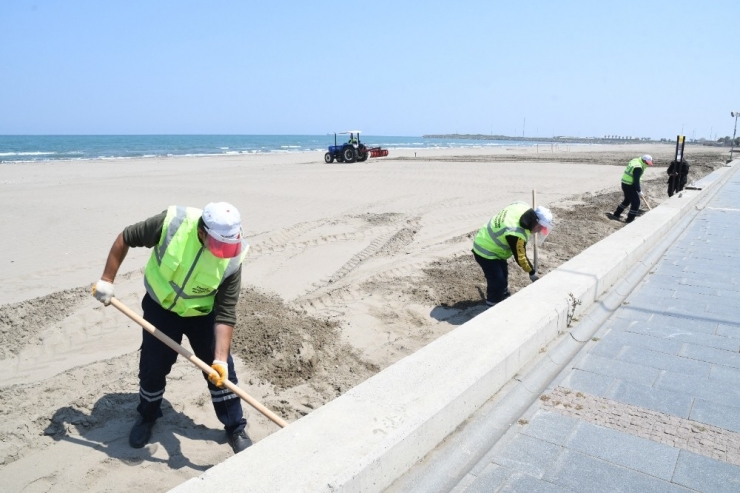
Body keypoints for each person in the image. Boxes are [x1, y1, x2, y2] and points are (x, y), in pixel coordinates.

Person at [92, 202, 252, 453]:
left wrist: (219, 359)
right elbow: (126, 237)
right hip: (161, 310)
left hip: (202, 315)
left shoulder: (233, 258)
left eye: (228, 246)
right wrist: (106, 280)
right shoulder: (172, 223)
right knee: (152, 367)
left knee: (222, 373)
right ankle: (147, 416)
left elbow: (226, 311)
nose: (223, 253)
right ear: (202, 232)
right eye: (219, 246)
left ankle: (235, 426)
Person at [472, 202, 554, 307]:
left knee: (503, 272)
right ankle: (492, 305)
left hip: (494, 245)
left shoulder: (523, 206)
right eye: (540, 228)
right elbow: (521, 258)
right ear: (535, 221)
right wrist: (532, 273)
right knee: (497, 280)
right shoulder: (516, 233)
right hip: (485, 250)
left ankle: (504, 294)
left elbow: (514, 204)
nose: (539, 231)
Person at [610, 154, 654, 223]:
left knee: (627, 200)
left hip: (625, 183)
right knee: (636, 203)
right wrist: (639, 191)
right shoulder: (638, 167)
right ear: (644, 161)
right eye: (647, 163)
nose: (648, 165)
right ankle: (630, 219)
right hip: (629, 185)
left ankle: (616, 213)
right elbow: (636, 181)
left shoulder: (636, 160)